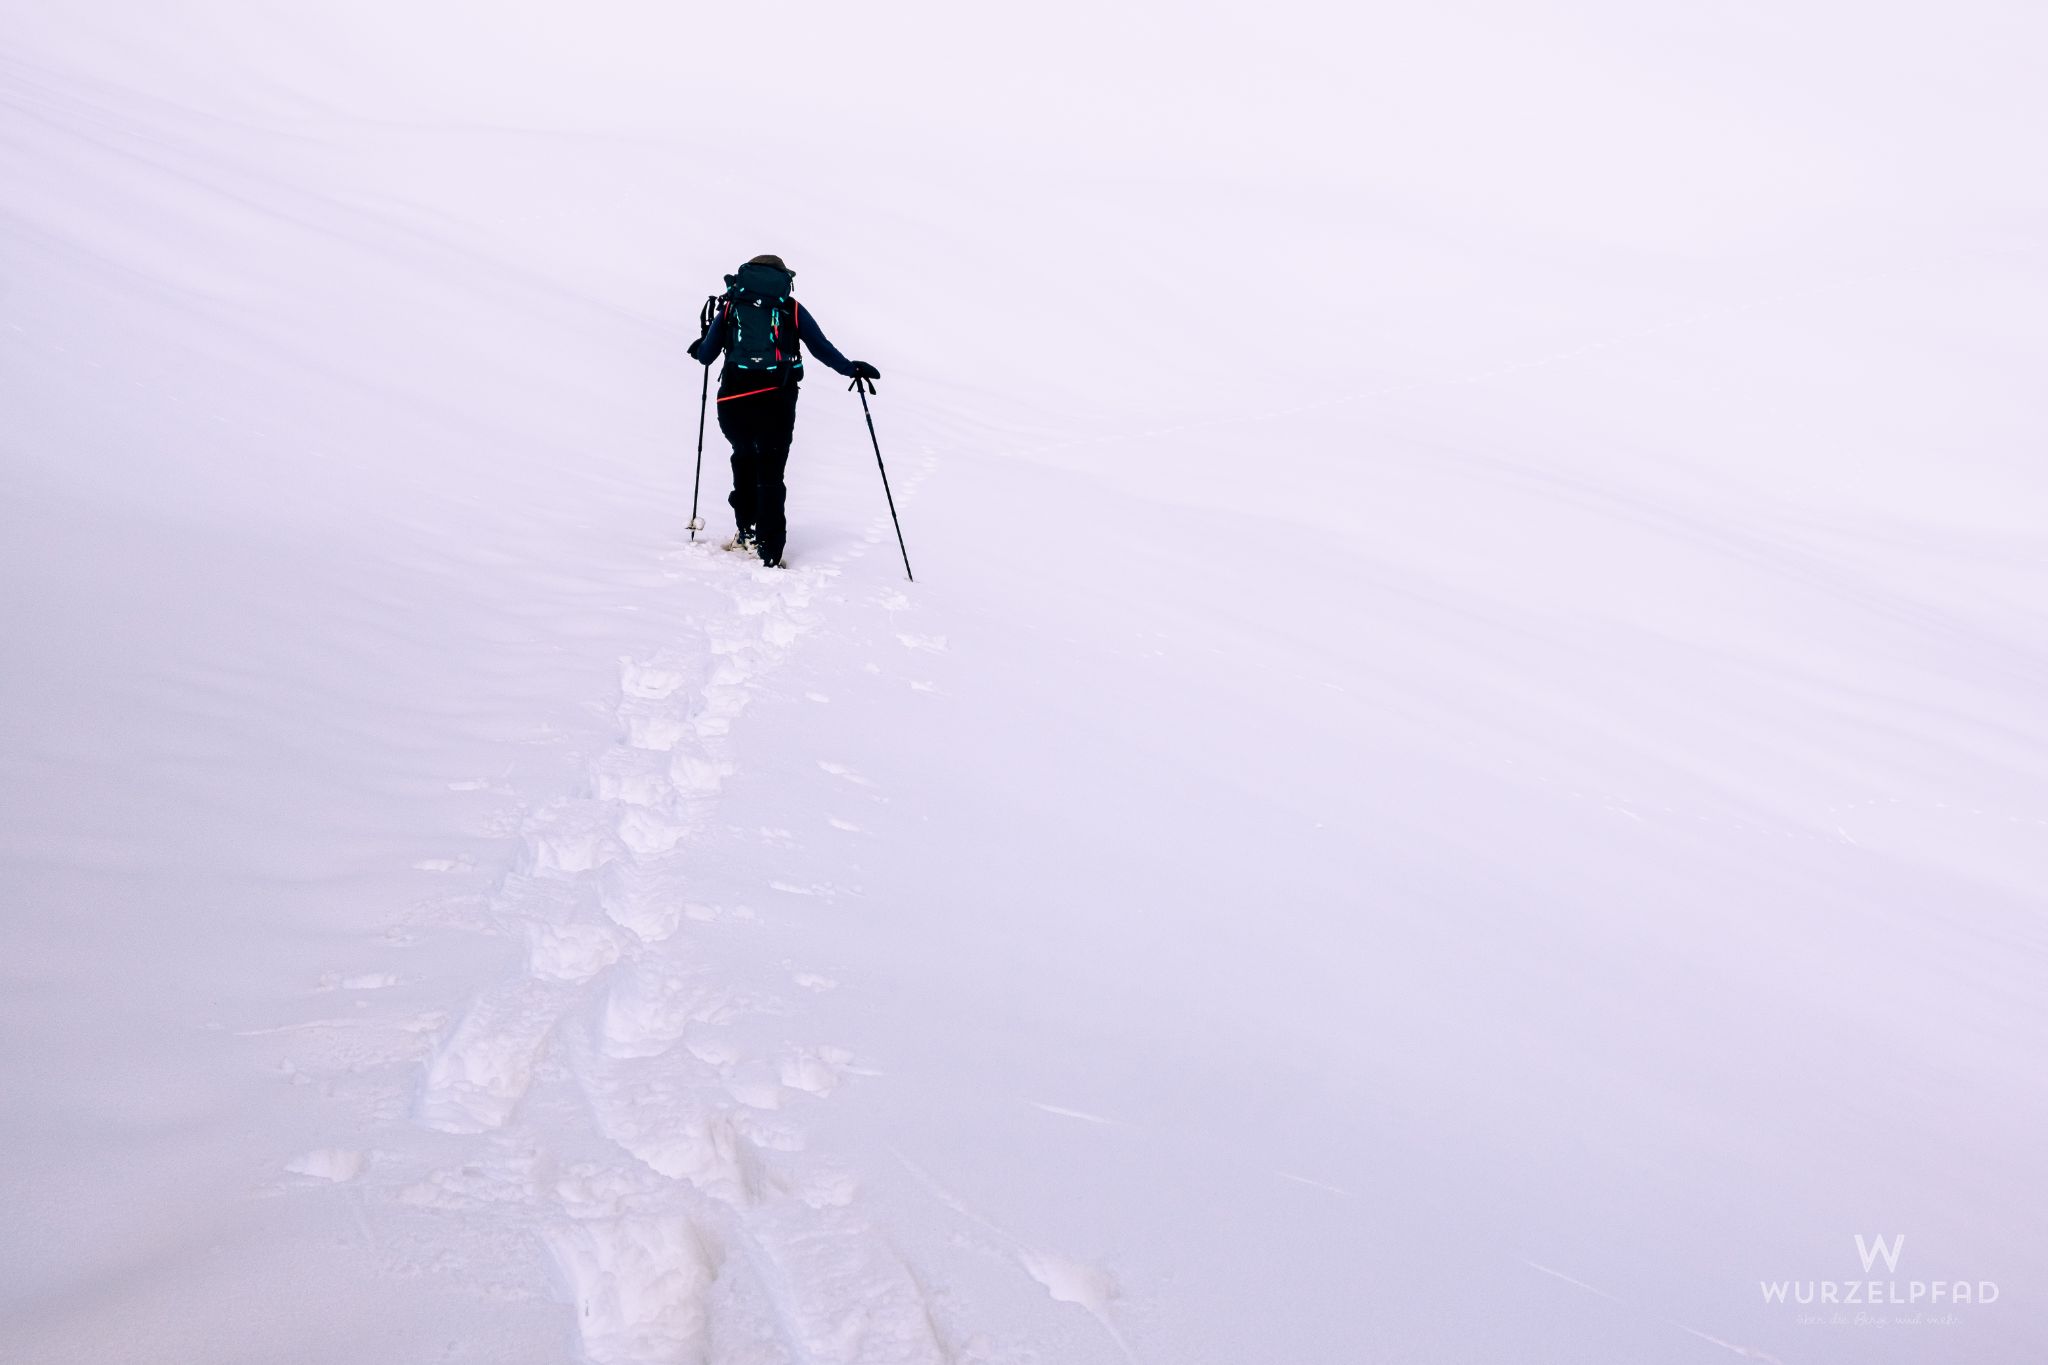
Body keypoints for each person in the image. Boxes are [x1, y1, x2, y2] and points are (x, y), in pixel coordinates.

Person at [686, 255, 879, 567]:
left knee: (744, 457)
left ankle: (747, 530)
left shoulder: (731, 305)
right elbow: (821, 347)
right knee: (771, 473)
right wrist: (850, 369)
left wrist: (701, 345)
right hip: (777, 399)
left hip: (733, 400)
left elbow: (706, 356)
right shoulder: (791, 308)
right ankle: (770, 549)